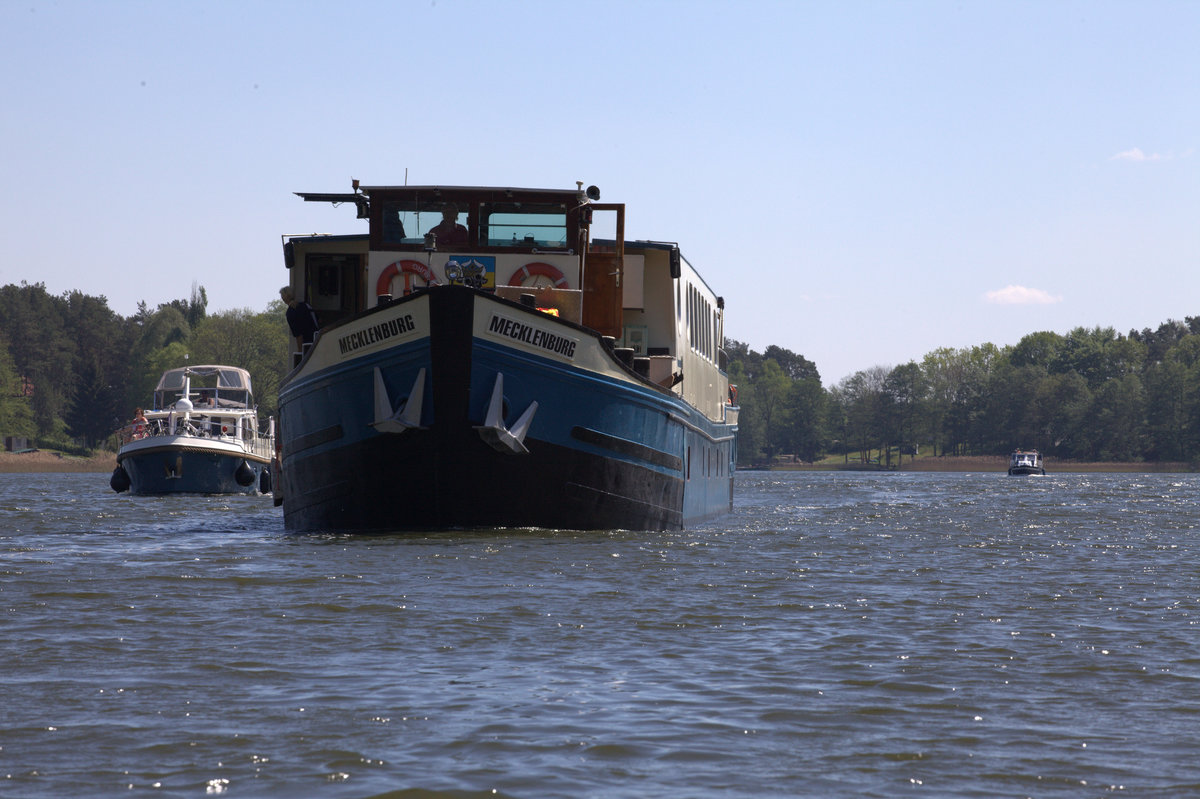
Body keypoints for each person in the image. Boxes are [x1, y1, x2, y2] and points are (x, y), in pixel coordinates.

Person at [280, 286, 320, 351]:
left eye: (282, 296)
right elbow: (318, 320)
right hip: (318, 340)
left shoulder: (290, 313)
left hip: (307, 345)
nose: (282, 298)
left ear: (286, 297)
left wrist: (300, 352)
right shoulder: (306, 305)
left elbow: (298, 335)